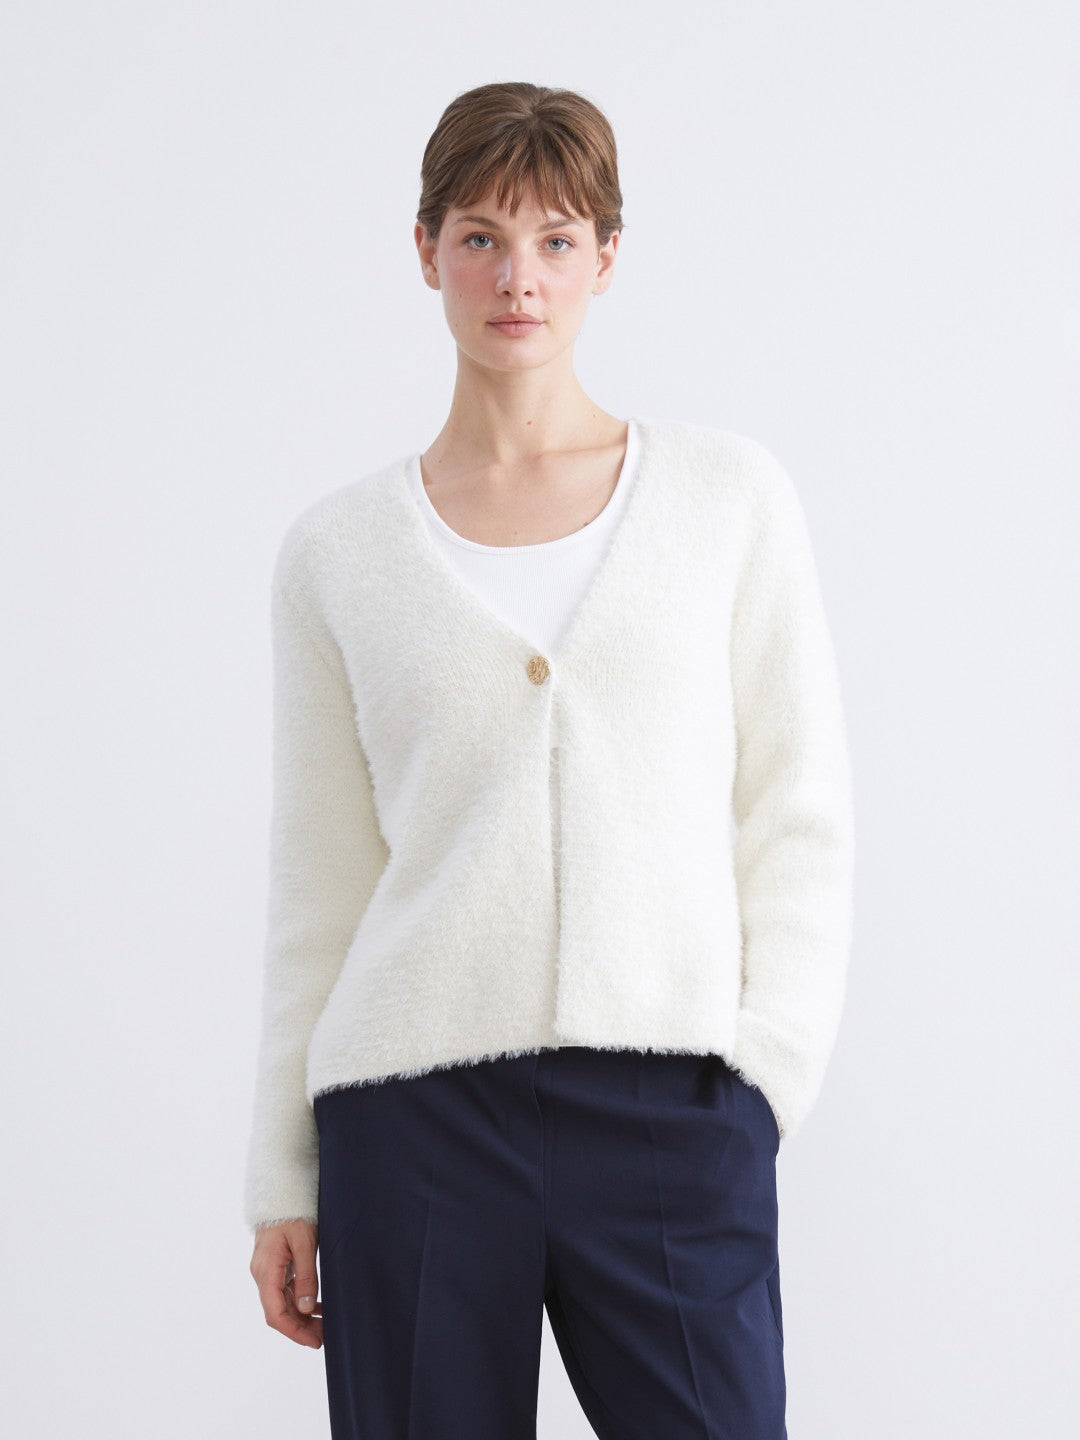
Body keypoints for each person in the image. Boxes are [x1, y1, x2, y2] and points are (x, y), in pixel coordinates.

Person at [245, 80, 854, 1440]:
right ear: (426, 252)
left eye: (556, 240)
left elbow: (797, 810)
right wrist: (283, 1172)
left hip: (671, 1104)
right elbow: (320, 885)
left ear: (606, 258)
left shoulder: (726, 501)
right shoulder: (338, 555)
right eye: (481, 238)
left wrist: (763, 1078)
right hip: (411, 1119)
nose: (517, 279)